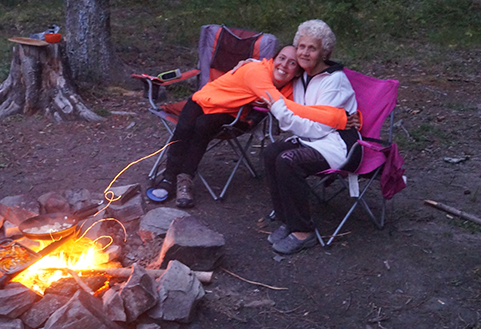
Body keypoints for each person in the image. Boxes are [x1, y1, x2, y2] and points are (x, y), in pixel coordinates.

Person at [147, 45, 351, 208]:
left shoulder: (289, 88)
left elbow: (299, 108)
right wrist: (337, 118)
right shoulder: (256, 72)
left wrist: (340, 116)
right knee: (183, 130)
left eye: (292, 63)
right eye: (281, 58)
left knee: (203, 127)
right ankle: (168, 178)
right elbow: (283, 104)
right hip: (204, 100)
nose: (284, 65)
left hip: (230, 113)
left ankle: (184, 180)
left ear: (297, 72)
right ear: (272, 60)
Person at [262, 19, 360, 254]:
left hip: (339, 145)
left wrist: (279, 110)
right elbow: (270, 69)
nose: (305, 52)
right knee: (271, 152)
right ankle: (288, 219)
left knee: (288, 161)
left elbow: (319, 128)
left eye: (312, 48)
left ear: (324, 51)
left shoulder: (334, 81)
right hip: (311, 140)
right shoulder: (302, 76)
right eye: (302, 46)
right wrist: (248, 63)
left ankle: (303, 231)